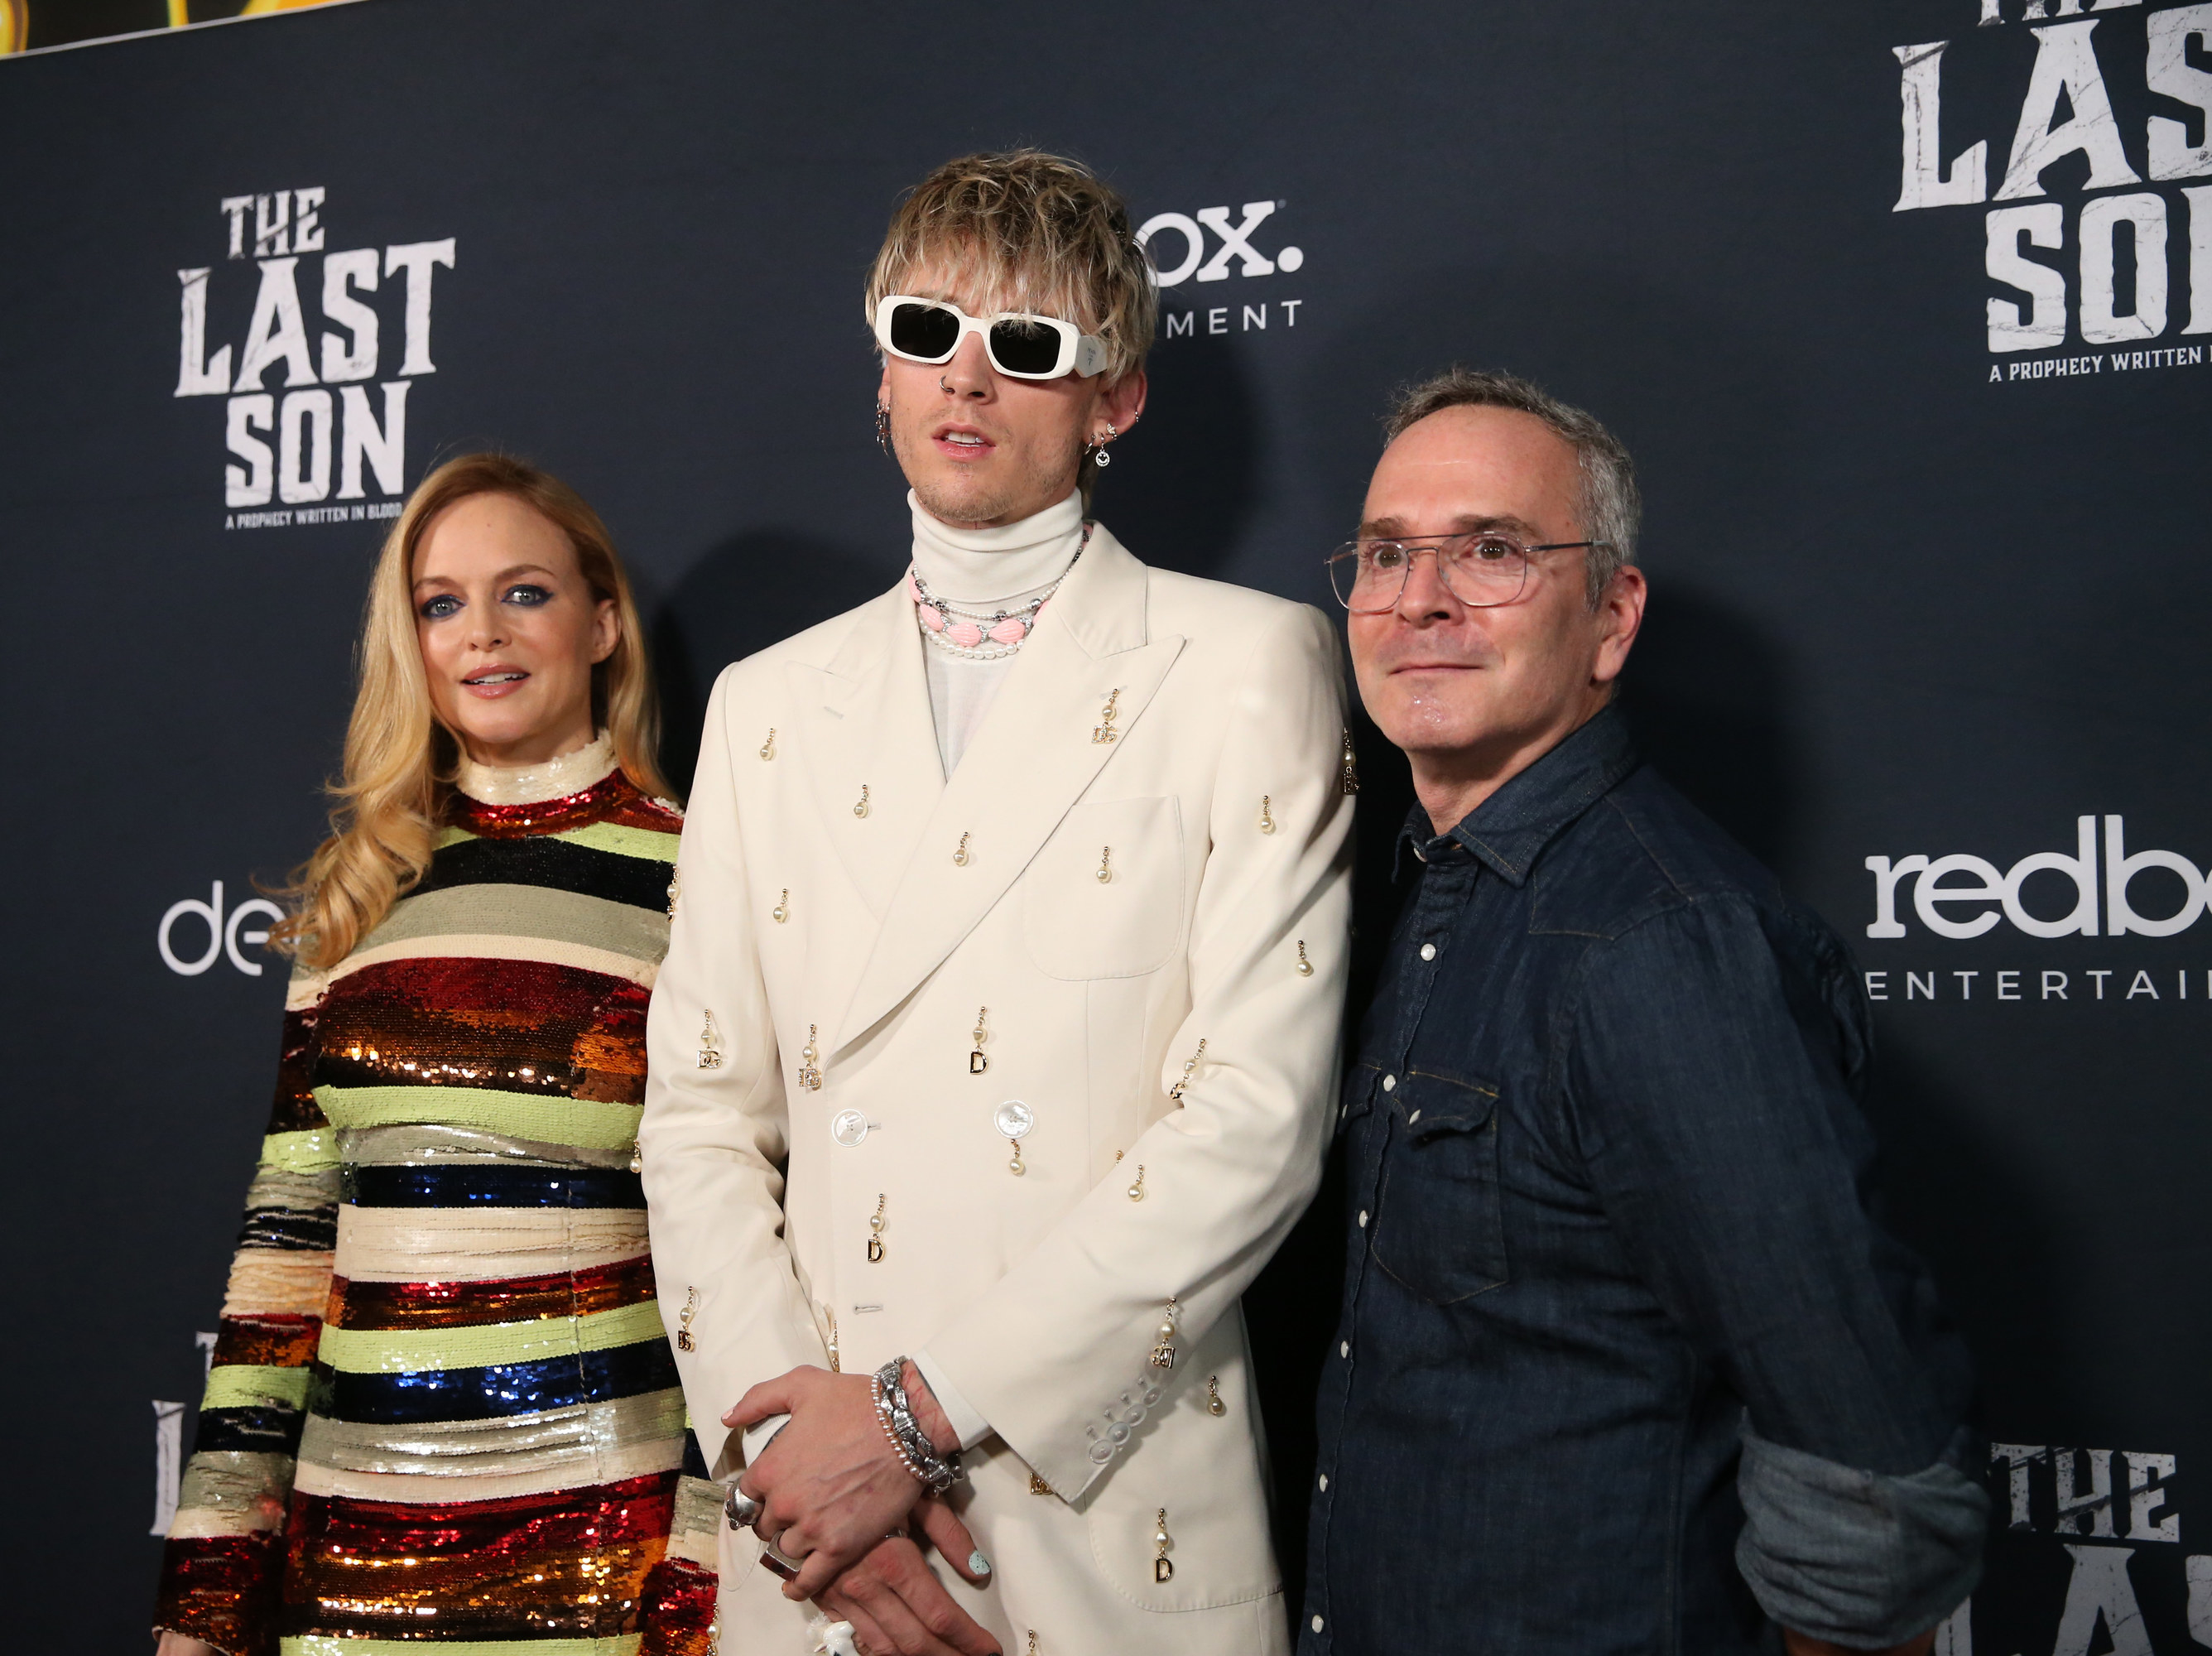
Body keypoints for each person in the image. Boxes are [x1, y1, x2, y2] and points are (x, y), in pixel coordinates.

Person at [637, 149, 1354, 1656]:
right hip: (817, 1536)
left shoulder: (1248, 665)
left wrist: (906, 1421)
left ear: (1117, 398)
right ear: (881, 374)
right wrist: (802, 1469)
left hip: (1106, 1510)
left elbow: (1256, 1123)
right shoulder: (764, 707)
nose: (968, 378)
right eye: (925, 332)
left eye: (1027, 347)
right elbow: (700, 1116)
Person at [1300, 368, 1988, 1655]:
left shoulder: (1663, 943)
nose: (1421, 600)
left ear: (1612, 619)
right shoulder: (1413, 897)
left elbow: (1867, 1461)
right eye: (1387, 555)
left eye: (1492, 552)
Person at [151, 454, 722, 1656]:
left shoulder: (705, 876)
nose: (482, 635)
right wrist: (206, 1601)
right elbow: (283, 1264)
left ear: (603, 621)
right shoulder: (360, 897)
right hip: (344, 1566)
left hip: (601, 1558)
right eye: (440, 602)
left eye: (525, 592)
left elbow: (747, 1269)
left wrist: (703, 1580)